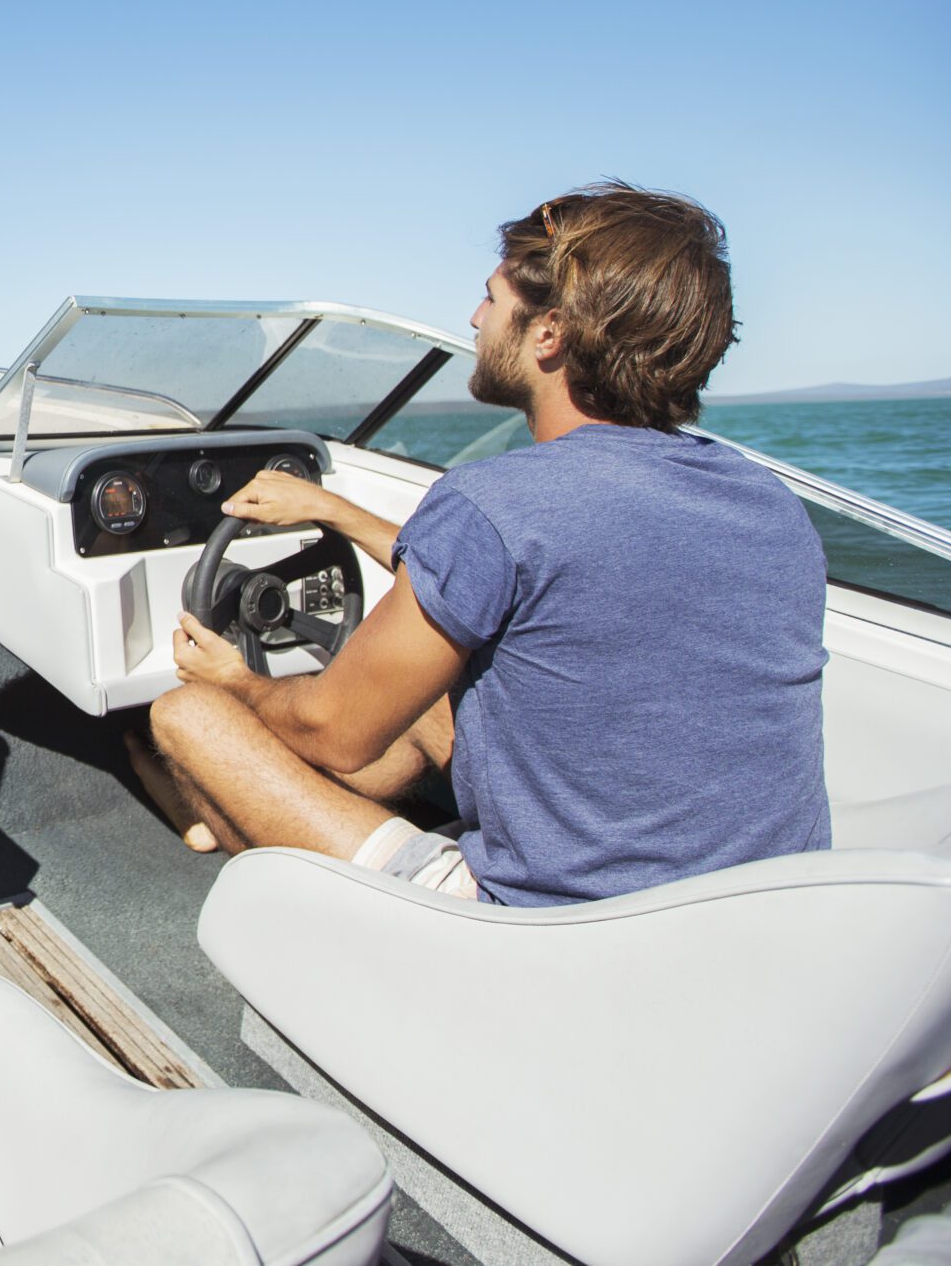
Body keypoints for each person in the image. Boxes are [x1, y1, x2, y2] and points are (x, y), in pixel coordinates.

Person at [126, 182, 830, 907]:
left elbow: (334, 731)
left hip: (550, 932)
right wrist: (333, 512)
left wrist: (237, 682)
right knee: (437, 698)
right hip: (759, 915)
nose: (474, 317)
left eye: (491, 300)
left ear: (549, 332)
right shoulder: (770, 505)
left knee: (187, 717)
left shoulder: (494, 501)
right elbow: (513, 575)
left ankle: (235, 826)